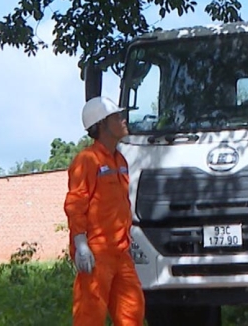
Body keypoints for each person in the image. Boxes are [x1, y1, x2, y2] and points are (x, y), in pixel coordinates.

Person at [65, 97, 145, 326]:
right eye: (117, 117)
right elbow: (75, 204)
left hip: (121, 252)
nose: (123, 120)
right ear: (101, 124)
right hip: (96, 253)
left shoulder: (119, 159)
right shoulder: (87, 160)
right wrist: (81, 244)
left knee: (132, 314)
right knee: (90, 317)